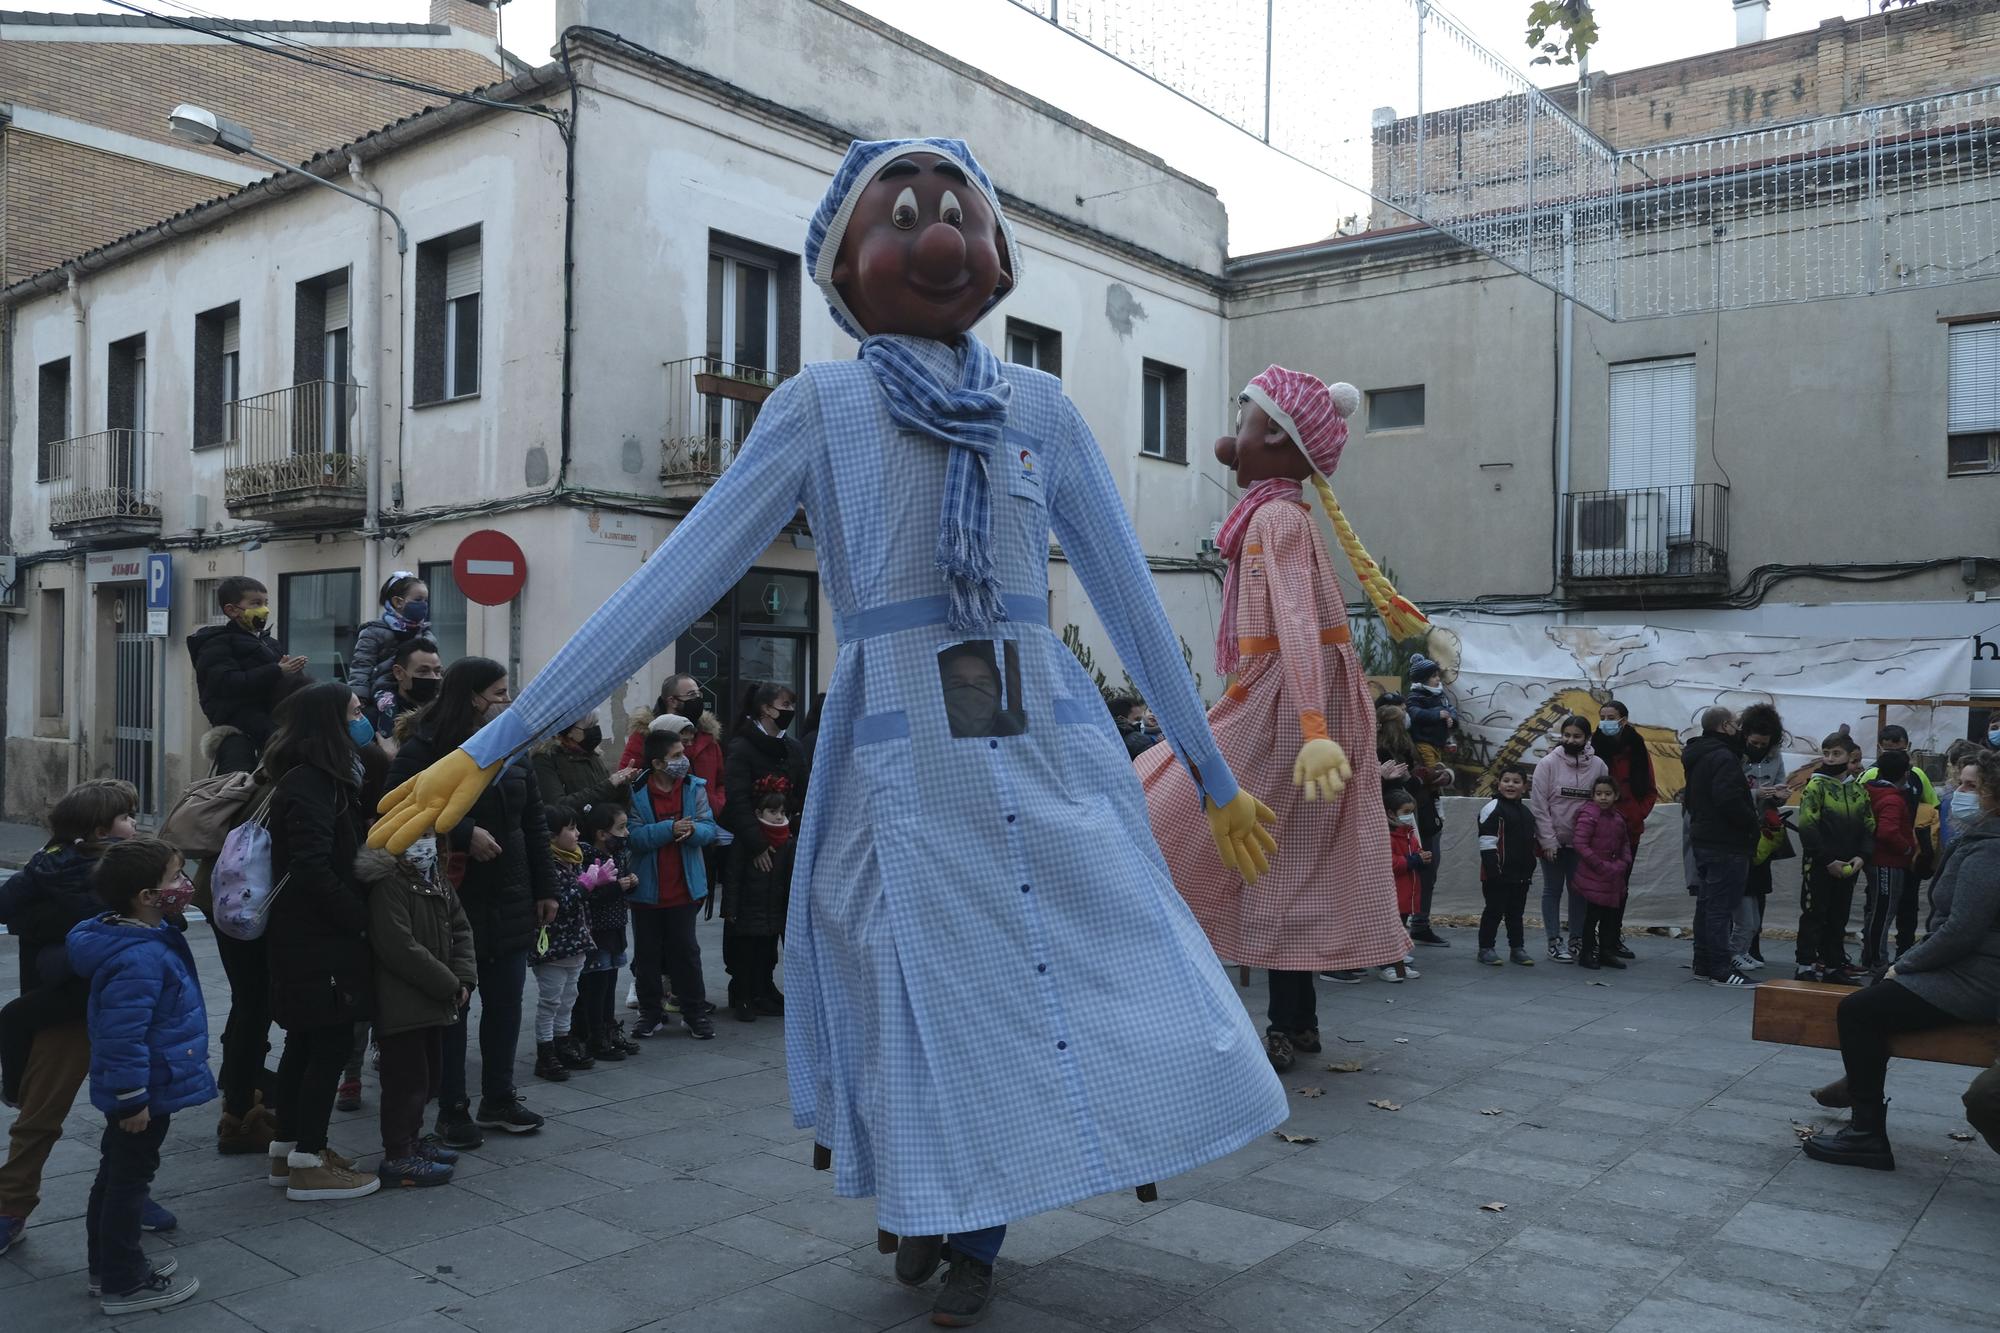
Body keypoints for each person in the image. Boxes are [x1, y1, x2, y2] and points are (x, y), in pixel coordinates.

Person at [369, 137, 1284, 1326]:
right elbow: (676, 578)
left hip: (1045, 748)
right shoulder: (820, 407)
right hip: (894, 755)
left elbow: (1126, 597)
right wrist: (497, 739)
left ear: (997, 252)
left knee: (1080, 961)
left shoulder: (1041, 412)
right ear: (843, 267)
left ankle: (986, 1219)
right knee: (898, 985)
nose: (939, 235)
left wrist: (1210, 771)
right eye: (903, 215)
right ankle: (928, 1197)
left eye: (959, 213)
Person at [1139, 365, 1420, 1069]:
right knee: (1282, 866)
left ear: (1277, 436)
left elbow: (1295, 622)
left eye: (1243, 425)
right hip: (1298, 703)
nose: (1229, 441)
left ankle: (1191, 1002)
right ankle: (1294, 1020)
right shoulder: (1282, 515)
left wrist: (1315, 728)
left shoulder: (1272, 519)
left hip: (1286, 709)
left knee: (1160, 812)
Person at [1801, 750, 2000, 1172]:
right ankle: (1858, 1089)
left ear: (1992, 795)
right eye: (1958, 784)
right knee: (1878, 994)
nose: (1958, 794)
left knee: (1859, 1010)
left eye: (1970, 787)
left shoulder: (1991, 848)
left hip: (1981, 975)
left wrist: (1907, 963)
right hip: (1974, 966)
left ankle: (1866, 1132)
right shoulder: (1983, 837)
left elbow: (1962, 930)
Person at [387, 657, 557, 1147]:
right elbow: (397, 810)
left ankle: (499, 1096)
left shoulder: (512, 749)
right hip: (449, 898)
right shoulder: (425, 749)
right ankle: (452, 1106)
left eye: (507, 692)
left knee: (506, 1002)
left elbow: (534, 822)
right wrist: (463, 832)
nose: (505, 701)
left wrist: (545, 888)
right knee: (454, 1003)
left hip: (510, 893)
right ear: (470, 696)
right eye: (497, 692)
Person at [0, 784, 150, 1257]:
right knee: (44, 1113)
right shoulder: (111, 873)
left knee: (130, 1113)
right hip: (72, 1009)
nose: (134, 822)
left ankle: (128, 1197)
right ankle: (11, 1205)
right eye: (126, 817)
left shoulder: (48, 863)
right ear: (98, 829)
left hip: (107, 1007)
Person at [66, 838, 214, 1314]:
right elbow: (121, 1035)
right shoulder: (138, 957)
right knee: (128, 1180)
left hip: (150, 1082)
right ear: (146, 896)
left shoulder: (139, 935)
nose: (184, 885)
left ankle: (107, 1265)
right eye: (174, 877)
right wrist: (132, 1099)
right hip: (145, 1088)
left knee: (116, 1176)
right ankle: (123, 1281)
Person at [260, 682, 381, 1202]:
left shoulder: (322, 778)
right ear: (331, 724)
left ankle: (290, 1151)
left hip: (308, 935)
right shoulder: (312, 783)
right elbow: (310, 865)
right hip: (317, 937)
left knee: (306, 1042)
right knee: (327, 1041)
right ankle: (309, 1160)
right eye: (355, 712)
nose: (364, 720)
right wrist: (355, 916)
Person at [359, 834, 472, 1189]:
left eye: (430, 836)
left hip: (434, 998)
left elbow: (460, 927)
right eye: (417, 836)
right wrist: (448, 983)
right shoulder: (389, 882)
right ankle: (398, 1155)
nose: (425, 845)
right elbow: (398, 945)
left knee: (428, 1076)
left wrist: (464, 976)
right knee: (404, 1081)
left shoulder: (432, 875)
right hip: (403, 1002)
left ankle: (412, 1140)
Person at [627, 728, 720, 1039]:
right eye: (677, 756)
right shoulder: (636, 792)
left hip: (684, 889)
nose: (684, 761)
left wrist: (693, 832)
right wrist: (670, 828)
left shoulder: (693, 788)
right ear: (657, 763)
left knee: (686, 953)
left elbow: (709, 828)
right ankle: (649, 1013)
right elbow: (633, 838)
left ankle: (694, 1013)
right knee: (647, 956)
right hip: (646, 890)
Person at [723, 684, 807, 1021]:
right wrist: (757, 844)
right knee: (746, 921)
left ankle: (764, 984)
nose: (788, 710)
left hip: (783, 847)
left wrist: (791, 829)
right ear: (764, 709)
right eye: (783, 704)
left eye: (791, 704)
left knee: (773, 918)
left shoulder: (792, 748)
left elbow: (802, 792)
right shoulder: (742, 748)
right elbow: (737, 799)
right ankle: (742, 988)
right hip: (749, 848)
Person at [187, 575, 309, 775]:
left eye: (266, 603)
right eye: (256, 603)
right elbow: (226, 682)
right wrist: (277, 670)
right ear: (231, 610)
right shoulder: (216, 643)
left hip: (274, 714)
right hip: (239, 720)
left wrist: (292, 673)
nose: (264, 609)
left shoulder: (270, 642)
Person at [1682, 706, 1761, 988]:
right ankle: (1720, 968)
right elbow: (1728, 799)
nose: (1740, 729)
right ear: (1725, 726)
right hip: (1725, 842)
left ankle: (1703, 963)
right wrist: (1751, 821)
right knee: (1720, 908)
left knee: (1706, 905)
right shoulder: (1723, 757)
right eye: (1736, 724)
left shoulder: (1699, 754)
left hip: (1704, 838)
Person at [1796, 729, 1876, 984]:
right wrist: (1827, 860)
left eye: (1836, 753)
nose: (1830, 759)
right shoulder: (1816, 786)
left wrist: (1862, 856)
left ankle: (1832, 966)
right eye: (1826, 753)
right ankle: (1805, 964)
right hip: (1820, 864)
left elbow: (1868, 824)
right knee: (1814, 914)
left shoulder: (1858, 790)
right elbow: (1808, 826)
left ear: (1851, 756)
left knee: (1838, 916)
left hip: (1848, 865)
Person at [1530, 716, 1608, 963]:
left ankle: (1577, 939)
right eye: (1566, 735)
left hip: (1583, 845)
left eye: (1576, 736)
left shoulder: (1599, 766)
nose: (1570, 740)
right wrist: (1548, 841)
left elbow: (1602, 803)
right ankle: (1554, 941)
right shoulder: (1548, 763)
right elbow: (1539, 806)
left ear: (1587, 738)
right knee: (1552, 890)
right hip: (1552, 842)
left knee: (1579, 892)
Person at [1377, 694, 1448, 949]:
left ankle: (1411, 929)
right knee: (1400, 872)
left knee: (1420, 871)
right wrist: (1418, 780)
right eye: (1399, 711)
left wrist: (1435, 776)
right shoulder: (1382, 749)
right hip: (1399, 819)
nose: (1404, 714)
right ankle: (1393, 940)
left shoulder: (1413, 741)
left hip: (1421, 815)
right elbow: (1405, 781)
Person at [532, 805, 596, 1081]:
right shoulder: (547, 867)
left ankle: (562, 1042)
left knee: (568, 998)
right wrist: (585, 886)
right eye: (570, 828)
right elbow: (559, 904)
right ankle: (545, 1052)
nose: (577, 833)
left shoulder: (575, 859)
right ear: (551, 836)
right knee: (550, 1001)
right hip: (553, 947)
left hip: (576, 943)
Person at [576, 803, 639, 1061]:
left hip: (615, 927)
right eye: (621, 828)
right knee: (596, 984)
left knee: (611, 979)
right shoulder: (588, 856)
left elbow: (619, 889)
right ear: (602, 833)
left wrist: (630, 884)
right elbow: (590, 895)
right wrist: (618, 887)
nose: (626, 833)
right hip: (596, 930)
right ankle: (594, 1035)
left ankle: (609, 1028)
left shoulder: (620, 854)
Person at [1733, 704, 1789, 969]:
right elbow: (1729, 790)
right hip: (1739, 825)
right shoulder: (1734, 753)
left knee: (1759, 889)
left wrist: (1779, 794)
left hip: (1764, 830)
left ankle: (1753, 944)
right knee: (1739, 890)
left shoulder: (1776, 755)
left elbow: (1780, 782)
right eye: (1754, 742)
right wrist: (1756, 794)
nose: (1758, 747)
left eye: (1764, 744)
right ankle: (1737, 945)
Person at [1862, 750, 1921, 971]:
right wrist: (1907, 848)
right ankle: (1879, 961)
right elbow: (1887, 832)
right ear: (1905, 774)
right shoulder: (1892, 799)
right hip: (1887, 862)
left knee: (1876, 910)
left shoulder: (1872, 790)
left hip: (1877, 861)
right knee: (1883, 913)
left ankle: (1869, 957)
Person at [1477, 766, 1539, 966]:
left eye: (1516, 781)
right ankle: (1486, 948)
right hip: (1497, 874)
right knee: (1493, 911)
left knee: (1516, 913)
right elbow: (1487, 841)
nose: (1510, 785)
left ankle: (1517, 948)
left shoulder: (1527, 813)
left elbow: (1531, 843)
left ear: (1525, 786)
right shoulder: (1493, 808)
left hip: (1520, 875)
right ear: (1499, 783)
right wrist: (1493, 871)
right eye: (1506, 780)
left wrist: (1530, 867)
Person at [1571, 777, 1633, 971]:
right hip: (1594, 875)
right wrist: (1599, 864)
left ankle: (1606, 951)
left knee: (1610, 916)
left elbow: (1625, 844)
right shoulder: (1589, 815)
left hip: (1613, 876)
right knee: (1592, 916)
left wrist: (1624, 862)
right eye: (1599, 794)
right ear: (1593, 795)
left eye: (1607, 794)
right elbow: (1580, 844)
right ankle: (1587, 952)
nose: (1603, 798)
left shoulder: (1618, 818)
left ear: (1615, 795)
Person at [347, 572, 433, 703]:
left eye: (425, 600)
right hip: (383, 696)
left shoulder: (425, 633)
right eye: (418, 600)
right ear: (398, 602)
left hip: (418, 695)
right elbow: (361, 667)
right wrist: (360, 699)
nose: (424, 605)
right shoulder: (373, 631)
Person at [364, 637, 444, 753]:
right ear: (399, 673)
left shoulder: (446, 714)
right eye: (423, 671)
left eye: (437, 671)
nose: (433, 677)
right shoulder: (373, 719)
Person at [1378, 789, 1425, 984]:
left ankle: (1399, 958)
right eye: (1405, 811)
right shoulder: (1387, 836)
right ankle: (1387, 965)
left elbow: (1417, 850)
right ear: (1390, 813)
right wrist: (1414, 860)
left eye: (1411, 811)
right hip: (1394, 892)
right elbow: (1391, 863)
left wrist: (1421, 857)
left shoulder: (1409, 834)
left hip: (1407, 892)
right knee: (1389, 929)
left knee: (1400, 927)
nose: (1409, 816)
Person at [1108, 693, 1156, 759]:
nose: (1141, 722)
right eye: (1137, 719)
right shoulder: (1139, 740)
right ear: (1122, 719)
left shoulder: (1109, 741)